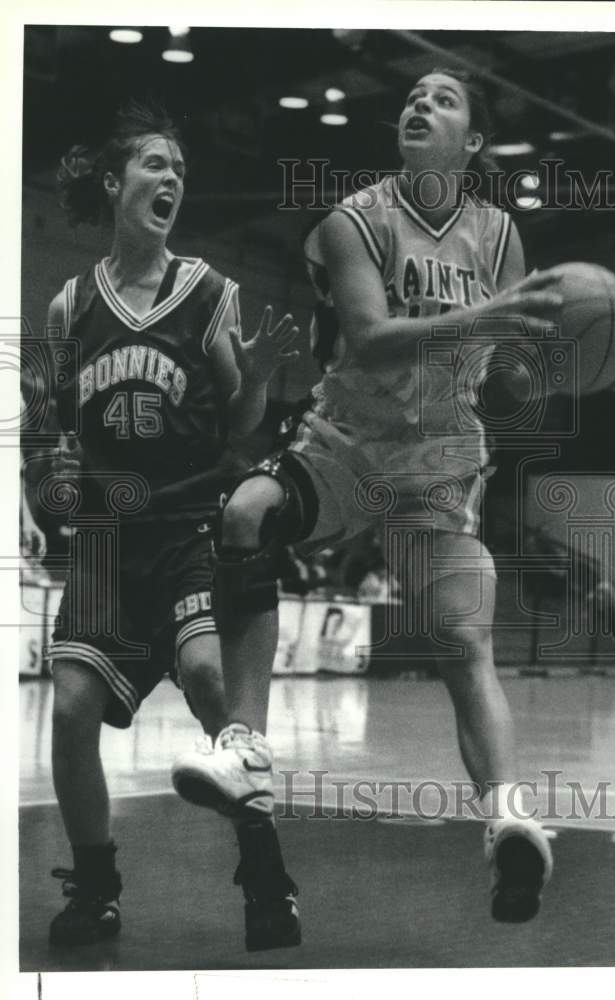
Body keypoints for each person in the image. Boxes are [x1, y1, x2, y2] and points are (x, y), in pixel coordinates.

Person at [172, 70, 562, 923]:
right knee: (246, 513)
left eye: (444, 99)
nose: (420, 105)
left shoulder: (501, 240)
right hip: (344, 447)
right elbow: (376, 343)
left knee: (466, 644)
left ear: (473, 144)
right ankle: (244, 748)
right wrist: (487, 326)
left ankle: (507, 819)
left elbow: (497, 376)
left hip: (440, 463)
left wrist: (539, 363)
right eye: (413, 96)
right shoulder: (352, 220)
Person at [44, 101, 301, 951]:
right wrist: (51, 469)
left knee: (206, 679)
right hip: (107, 542)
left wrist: (258, 378)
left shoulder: (212, 293)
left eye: (180, 171)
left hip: (190, 526)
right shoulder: (68, 307)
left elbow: (242, 430)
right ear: (115, 182)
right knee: (72, 708)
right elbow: (49, 432)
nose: (172, 180)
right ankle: (96, 887)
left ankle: (265, 872)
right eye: (156, 164)